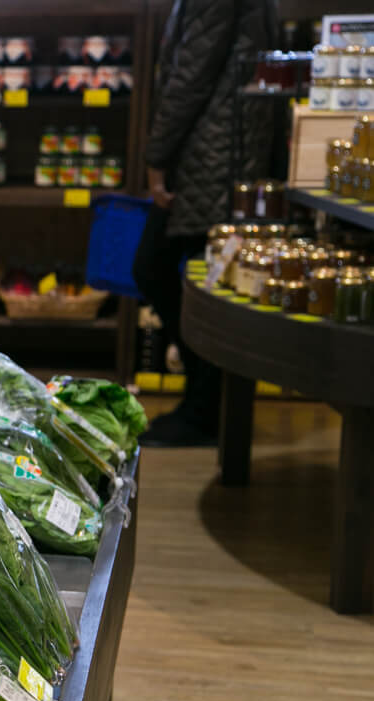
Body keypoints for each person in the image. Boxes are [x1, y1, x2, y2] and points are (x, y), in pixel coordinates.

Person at [133, 0, 275, 447]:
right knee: (198, 278)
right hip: (220, 151)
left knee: (172, 272)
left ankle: (204, 412)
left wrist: (157, 157)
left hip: (215, 156)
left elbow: (191, 76)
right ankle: (202, 406)